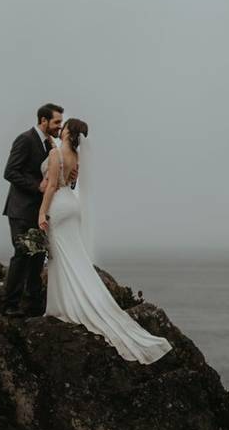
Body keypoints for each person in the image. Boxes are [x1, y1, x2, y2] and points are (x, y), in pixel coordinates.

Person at [38, 118, 172, 364]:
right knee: (74, 256)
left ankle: (62, 305)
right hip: (72, 206)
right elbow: (71, 182)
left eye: (64, 126)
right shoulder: (76, 158)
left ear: (68, 131)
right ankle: (81, 299)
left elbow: (51, 188)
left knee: (60, 258)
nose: (62, 129)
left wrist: (41, 214)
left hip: (58, 205)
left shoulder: (57, 154)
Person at [1, 103, 64, 317]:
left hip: (40, 211)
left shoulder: (52, 144)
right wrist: (36, 185)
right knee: (21, 255)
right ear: (43, 120)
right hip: (20, 209)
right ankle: (10, 305)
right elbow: (10, 171)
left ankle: (34, 305)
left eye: (61, 123)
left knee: (37, 256)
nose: (59, 126)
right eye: (56, 122)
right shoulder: (25, 139)